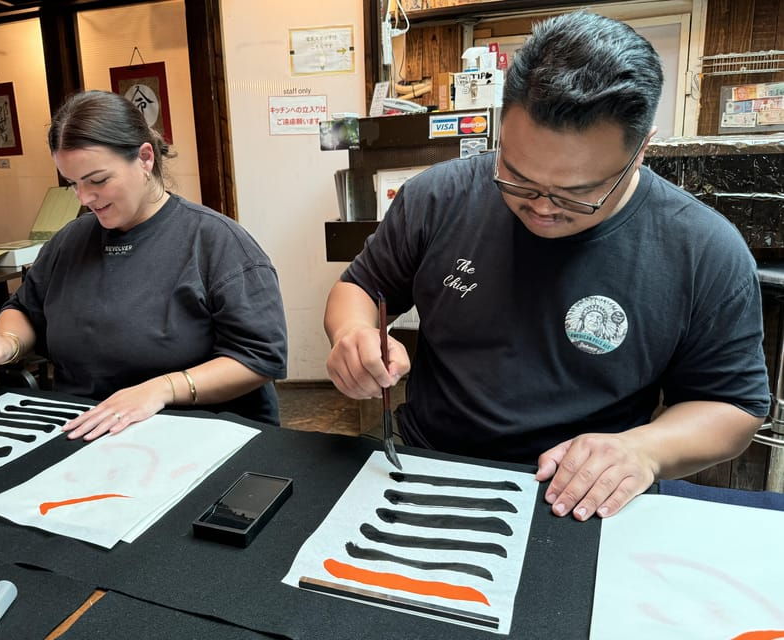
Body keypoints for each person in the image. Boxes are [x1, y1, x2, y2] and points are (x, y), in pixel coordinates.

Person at [324, 11, 769, 520]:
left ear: (642, 151)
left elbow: (732, 407)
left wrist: (645, 450)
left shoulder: (703, 249)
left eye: (576, 193)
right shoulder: (437, 196)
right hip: (428, 460)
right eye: (516, 177)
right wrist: (352, 336)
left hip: (581, 496)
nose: (540, 206)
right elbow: (359, 286)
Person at [0, 90, 287, 438]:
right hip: (86, 430)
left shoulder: (216, 242)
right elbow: (25, 308)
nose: (85, 198)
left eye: (98, 180)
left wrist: (162, 389)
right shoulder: (70, 241)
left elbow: (258, 359)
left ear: (145, 158)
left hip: (194, 435)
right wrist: (5, 342)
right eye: (74, 184)